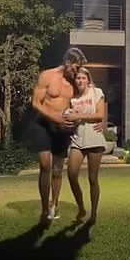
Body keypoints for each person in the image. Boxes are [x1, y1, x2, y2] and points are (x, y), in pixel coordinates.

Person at [31, 47, 87, 224]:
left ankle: (53, 206)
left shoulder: (74, 83)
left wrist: (97, 120)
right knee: (45, 164)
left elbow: (89, 100)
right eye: (76, 67)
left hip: (62, 129)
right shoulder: (47, 76)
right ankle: (44, 209)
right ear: (68, 63)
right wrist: (54, 117)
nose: (77, 71)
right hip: (43, 124)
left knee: (57, 169)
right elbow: (35, 103)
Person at [65, 67, 107, 225]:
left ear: (88, 80)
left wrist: (79, 115)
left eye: (83, 78)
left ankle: (94, 212)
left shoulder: (96, 92)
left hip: (94, 138)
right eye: (78, 78)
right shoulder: (73, 99)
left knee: (92, 178)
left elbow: (100, 114)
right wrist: (69, 121)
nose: (80, 80)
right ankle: (81, 208)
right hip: (77, 139)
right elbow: (69, 118)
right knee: (71, 174)